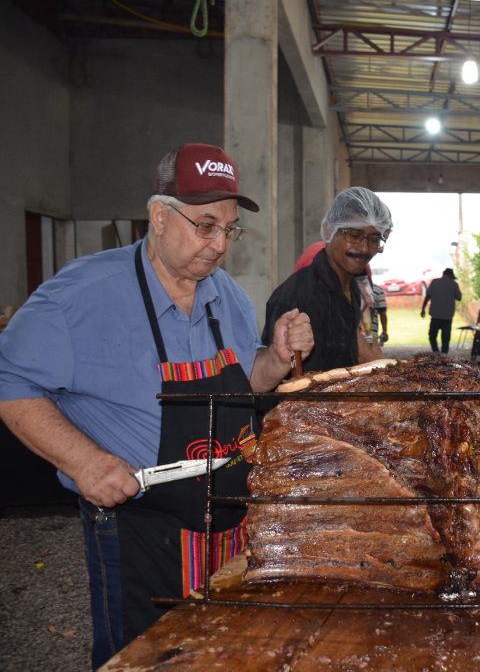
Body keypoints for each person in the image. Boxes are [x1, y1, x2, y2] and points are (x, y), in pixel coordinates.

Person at [0, 142, 314, 669]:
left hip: (231, 527)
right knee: (144, 658)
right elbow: (10, 379)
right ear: (159, 216)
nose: (218, 245)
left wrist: (276, 359)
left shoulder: (229, 296)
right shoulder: (83, 294)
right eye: (205, 224)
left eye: (229, 230)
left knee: (223, 654)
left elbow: (247, 380)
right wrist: (82, 461)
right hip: (139, 531)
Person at [263, 187, 392, 372]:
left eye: (373, 239)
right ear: (330, 230)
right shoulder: (301, 296)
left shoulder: (351, 289)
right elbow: (291, 382)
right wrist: (377, 365)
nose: (364, 248)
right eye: (354, 236)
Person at [421, 267, 462, 354]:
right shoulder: (454, 284)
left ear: (443, 274)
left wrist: (423, 309)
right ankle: (444, 355)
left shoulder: (435, 282)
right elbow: (459, 297)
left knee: (432, 336)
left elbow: (428, 296)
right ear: (451, 275)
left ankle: (436, 352)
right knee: (446, 338)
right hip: (447, 316)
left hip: (435, 315)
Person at [369, 279, 389, 345]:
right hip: (371, 333)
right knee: (371, 352)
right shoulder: (377, 289)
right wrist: (384, 331)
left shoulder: (347, 289)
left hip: (353, 333)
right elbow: (382, 313)